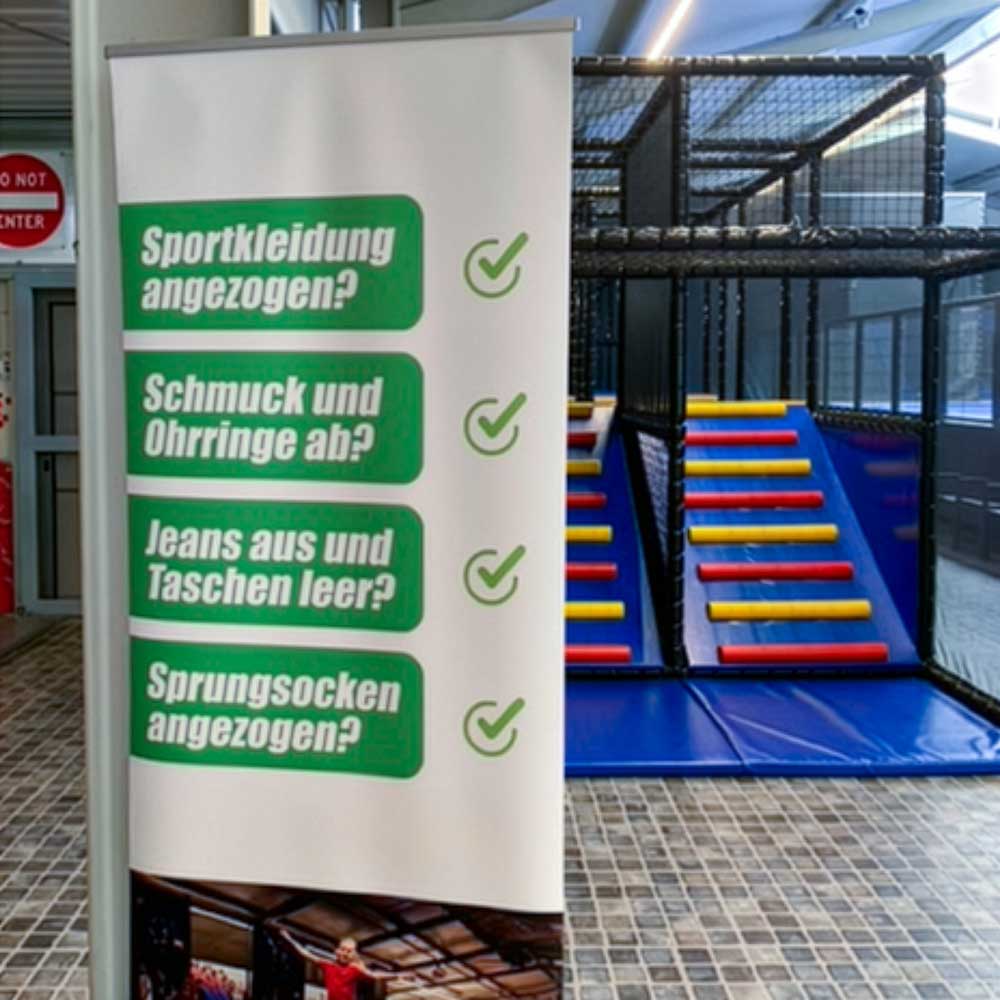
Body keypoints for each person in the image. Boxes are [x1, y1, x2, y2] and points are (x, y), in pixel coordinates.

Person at [273, 927, 397, 1000]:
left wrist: (398, 975)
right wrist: (289, 939)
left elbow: (375, 975)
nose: (345, 953)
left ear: (353, 954)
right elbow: (305, 953)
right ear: (336, 951)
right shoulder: (328, 965)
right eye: (343, 949)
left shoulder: (355, 968)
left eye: (349, 951)